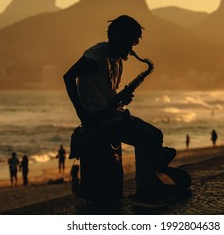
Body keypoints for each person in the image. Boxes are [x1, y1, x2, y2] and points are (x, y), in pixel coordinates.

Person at [63, 15, 175, 208]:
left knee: (156, 134)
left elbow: (106, 92)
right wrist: (81, 112)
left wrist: (122, 98)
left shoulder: (117, 61)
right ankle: (144, 194)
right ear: (116, 36)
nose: (132, 48)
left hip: (112, 115)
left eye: (134, 42)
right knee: (146, 138)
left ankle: (152, 183)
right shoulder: (95, 55)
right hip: (100, 120)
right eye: (129, 41)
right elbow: (68, 77)